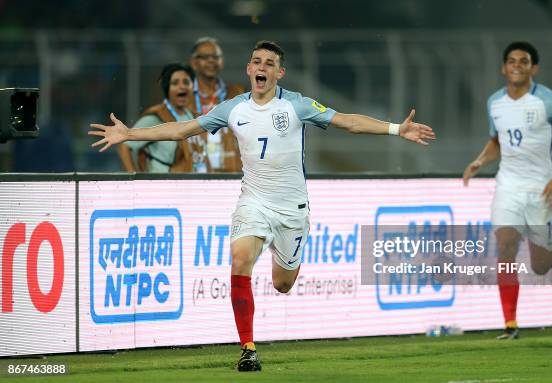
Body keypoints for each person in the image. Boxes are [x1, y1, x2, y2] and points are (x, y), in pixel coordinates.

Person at [90, 40, 435, 371]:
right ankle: (248, 349)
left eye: (269, 63)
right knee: (240, 260)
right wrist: (130, 134)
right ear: (248, 68)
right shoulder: (233, 108)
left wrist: (395, 129)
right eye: (257, 61)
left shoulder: (296, 105)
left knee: (282, 284)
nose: (262, 67)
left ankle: (288, 261)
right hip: (253, 201)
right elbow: (184, 129)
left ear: (279, 73)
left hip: (291, 210)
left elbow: (346, 121)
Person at [463, 41, 552, 340]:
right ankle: (510, 323)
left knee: (541, 267)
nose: (517, 65)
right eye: (512, 60)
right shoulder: (494, 103)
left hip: (542, 187)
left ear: (534, 68)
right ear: (504, 68)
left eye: (524, 60)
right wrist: (480, 160)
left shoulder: (547, 101)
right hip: (508, 185)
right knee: (505, 246)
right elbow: (497, 142)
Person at [117, 63, 201, 173]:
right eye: (175, 83)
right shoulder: (155, 117)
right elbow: (124, 147)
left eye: (186, 82)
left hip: (188, 184)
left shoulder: (193, 116)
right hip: (161, 186)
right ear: (167, 88)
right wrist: (135, 180)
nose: (182, 86)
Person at [189, 36, 245, 173]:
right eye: (205, 57)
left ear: (221, 62)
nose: (211, 61)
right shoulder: (183, 96)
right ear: (194, 62)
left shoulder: (238, 93)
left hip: (232, 172)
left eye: (215, 57)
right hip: (194, 174)